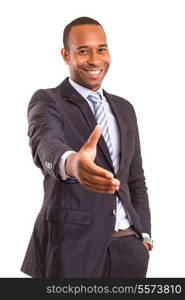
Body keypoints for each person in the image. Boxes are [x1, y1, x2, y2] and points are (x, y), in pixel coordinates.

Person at [21, 16, 153, 278]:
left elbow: (135, 179)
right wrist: (71, 164)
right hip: (72, 250)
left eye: (101, 49)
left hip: (128, 251)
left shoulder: (124, 108)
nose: (95, 60)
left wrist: (145, 236)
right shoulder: (48, 101)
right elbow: (45, 143)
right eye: (83, 51)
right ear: (65, 55)